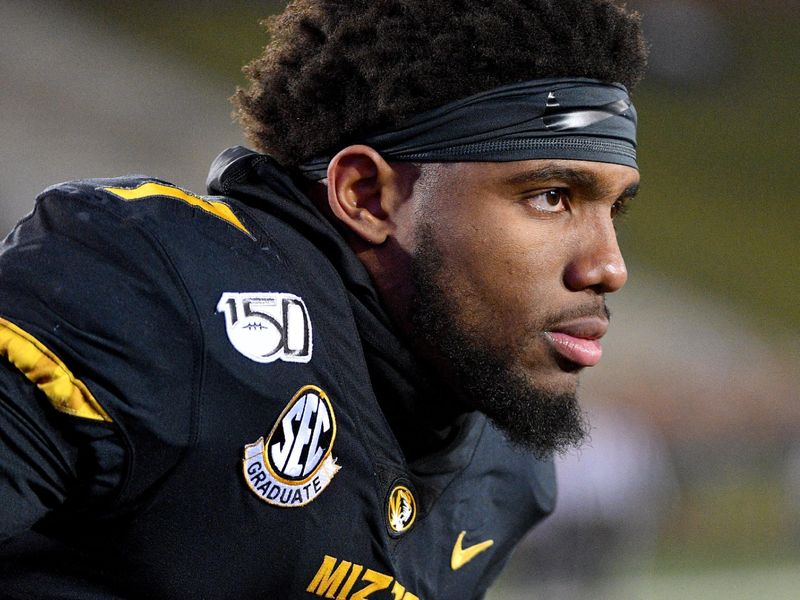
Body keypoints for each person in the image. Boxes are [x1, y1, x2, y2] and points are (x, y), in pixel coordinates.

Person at [0, 1, 647, 598]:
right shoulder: (159, 291)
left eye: (615, 208)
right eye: (551, 195)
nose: (609, 265)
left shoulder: (505, 469)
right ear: (367, 194)